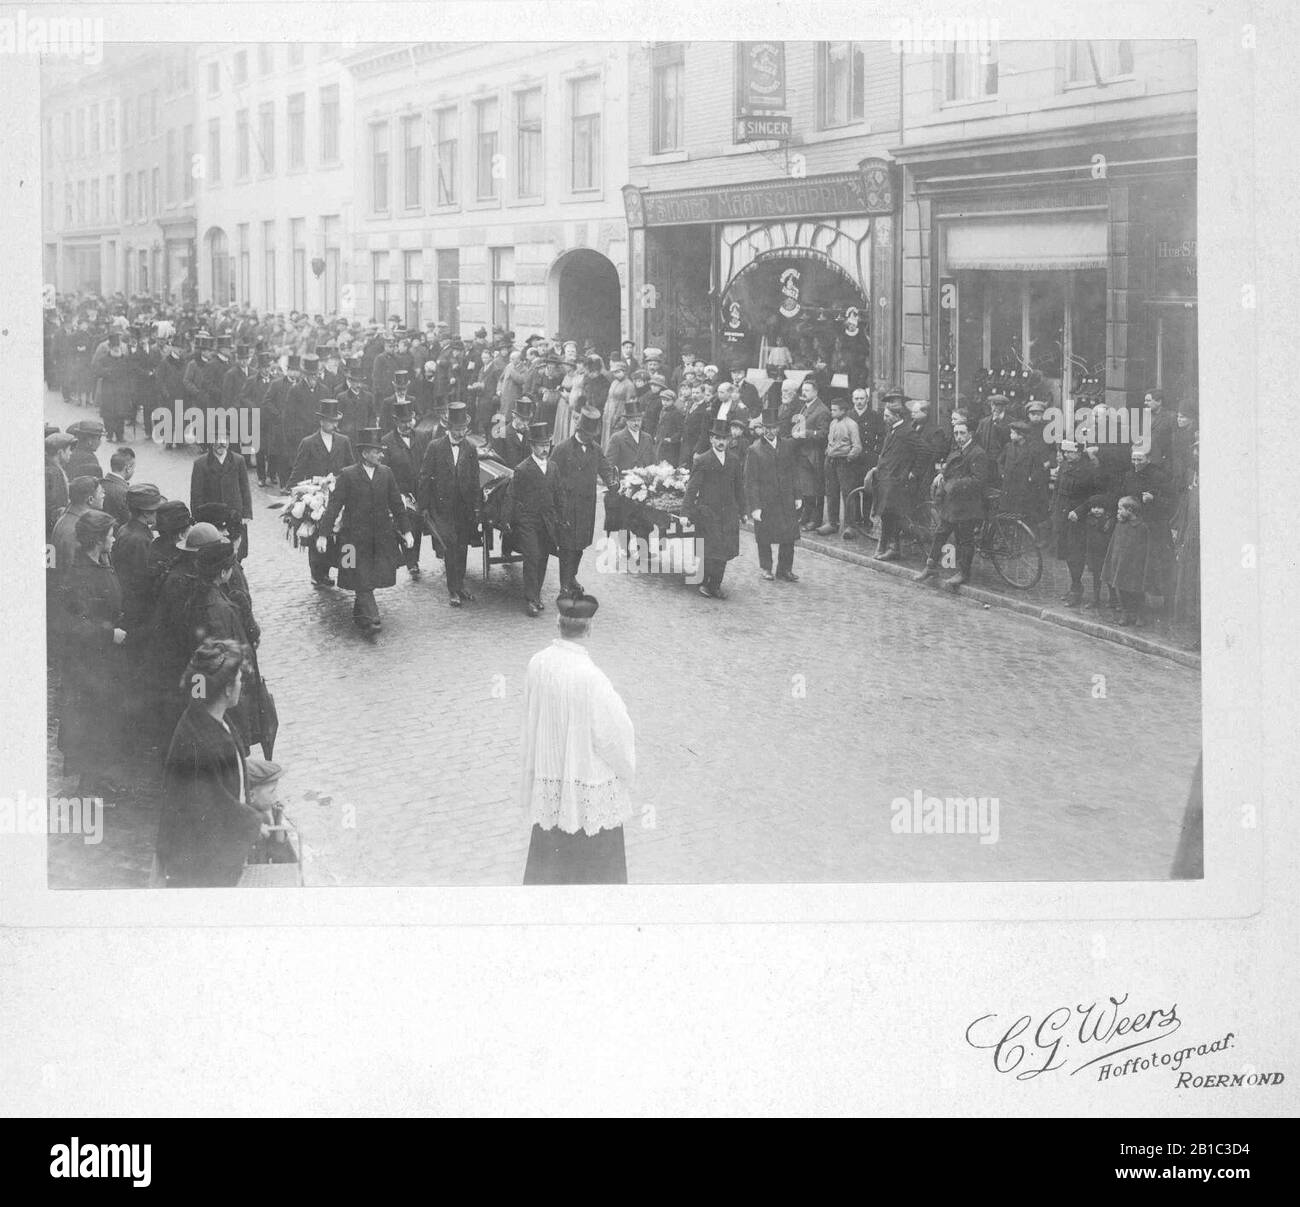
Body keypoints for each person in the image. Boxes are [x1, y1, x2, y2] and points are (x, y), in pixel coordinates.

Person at [519, 593, 636, 885]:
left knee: (548, 877)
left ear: (557, 624)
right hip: (585, 797)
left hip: (551, 783)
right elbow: (615, 735)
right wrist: (626, 772)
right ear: (589, 629)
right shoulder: (592, 678)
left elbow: (531, 716)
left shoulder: (537, 663)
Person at [156, 638, 269, 887]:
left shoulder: (205, 720)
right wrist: (253, 823)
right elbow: (211, 809)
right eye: (239, 679)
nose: (242, 685)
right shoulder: (204, 743)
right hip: (201, 870)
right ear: (228, 689)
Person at [52, 510, 127, 794]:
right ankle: (89, 784)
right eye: (110, 534)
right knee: (91, 721)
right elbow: (73, 625)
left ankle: (98, 776)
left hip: (103, 660)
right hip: (89, 665)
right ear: (97, 539)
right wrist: (109, 634)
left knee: (103, 719)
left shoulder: (101, 563)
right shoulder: (80, 575)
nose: (114, 538)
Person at [317, 426, 413, 632]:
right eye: (376, 451)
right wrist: (323, 535)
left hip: (380, 538)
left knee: (371, 575)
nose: (381, 454)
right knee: (357, 575)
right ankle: (371, 615)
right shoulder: (348, 475)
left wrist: (407, 531)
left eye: (381, 451)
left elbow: (397, 505)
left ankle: (360, 615)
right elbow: (334, 506)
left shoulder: (386, 474)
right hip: (351, 540)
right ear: (364, 453)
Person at [915, 415, 991, 590]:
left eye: (962, 433)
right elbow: (950, 468)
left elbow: (979, 480)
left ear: (970, 434)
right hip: (952, 503)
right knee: (941, 533)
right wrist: (942, 474)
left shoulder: (977, 453)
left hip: (968, 504)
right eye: (956, 433)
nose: (958, 436)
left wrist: (953, 484)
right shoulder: (958, 450)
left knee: (965, 539)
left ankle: (964, 573)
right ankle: (931, 566)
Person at [550, 406, 618, 598]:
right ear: (579, 431)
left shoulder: (596, 449)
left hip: (586, 506)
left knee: (580, 545)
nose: (590, 437)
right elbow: (551, 475)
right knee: (566, 546)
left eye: (592, 434)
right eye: (587, 434)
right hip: (567, 506)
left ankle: (572, 577)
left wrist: (612, 481)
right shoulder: (562, 448)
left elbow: (605, 468)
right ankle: (564, 584)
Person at [418, 402, 481, 607]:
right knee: (451, 547)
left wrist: (476, 507)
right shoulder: (435, 447)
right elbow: (425, 477)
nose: (461, 432)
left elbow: (474, 479)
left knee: (462, 546)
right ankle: (453, 589)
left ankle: (460, 584)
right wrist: (423, 506)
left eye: (464, 429)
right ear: (449, 428)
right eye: (457, 429)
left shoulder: (470, 447)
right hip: (442, 507)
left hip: (463, 507)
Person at [290, 400, 356, 587]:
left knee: (337, 532)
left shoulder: (344, 441)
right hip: (316, 495)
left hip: (338, 493)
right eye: (330, 421)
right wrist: (293, 492)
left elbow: (351, 466)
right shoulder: (309, 442)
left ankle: (335, 570)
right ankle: (317, 573)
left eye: (336, 421)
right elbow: (299, 468)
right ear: (321, 421)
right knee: (316, 531)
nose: (334, 425)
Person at [504, 420, 561, 617]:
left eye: (547, 445)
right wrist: (508, 521)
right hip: (527, 521)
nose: (545, 449)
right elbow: (513, 495)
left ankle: (537, 595)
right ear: (532, 446)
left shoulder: (553, 468)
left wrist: (562, 518)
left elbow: (558, 494)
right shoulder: (523, 469)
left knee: (543, 556)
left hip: (547, 520)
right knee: (532, 557)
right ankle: (530, 599)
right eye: (540, 446)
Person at [686, 418, 746, 599]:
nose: (721, 442)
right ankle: (705, 582)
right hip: (708, 512)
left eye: (725, 439)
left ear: (729, 441)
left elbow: (739, 488)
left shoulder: (734, 461)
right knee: (710, 550)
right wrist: (685, 513)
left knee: (724, 550)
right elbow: (692, 488)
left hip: (728, 512)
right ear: (711, 439)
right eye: (718, 438)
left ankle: (716, 584)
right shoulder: (703, 460)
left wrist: (743, 511)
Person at [745, 403, 802, 582]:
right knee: (765, 536)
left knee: (788, 535)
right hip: (766, 500)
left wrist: (798, 495)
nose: (770, 431)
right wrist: (754, 506)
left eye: (774, 427)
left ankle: (785, 569)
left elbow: (794, 472)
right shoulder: (754, 450)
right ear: (761, 429)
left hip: (786, 498)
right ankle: (766, 567)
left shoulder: (786, 446)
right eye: (767, 428)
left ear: (778, 428)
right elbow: (750, 481)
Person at [872, 397, 926, 561]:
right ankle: (886, 544)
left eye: (888, 416)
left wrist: (913, 472)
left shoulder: (907, 431)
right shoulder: (893, 429)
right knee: (885, 513)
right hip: (886, 478)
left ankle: (893, 547)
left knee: (893, 514)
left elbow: (925, 451)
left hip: (896, 480)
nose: (885, 418)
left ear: (897, 416)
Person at [383, 399, 430, 579]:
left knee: (417, 526)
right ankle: (409, 561)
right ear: (396, 421)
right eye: (403, 422)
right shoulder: (387, 441)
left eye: (410, 420)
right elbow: (385, 470)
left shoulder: (422, 436)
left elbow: (427, 461)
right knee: (404, 525)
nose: (407, 425)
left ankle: (413, 559)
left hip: (419, 489)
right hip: (399, 492)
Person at [190, 436, 253, 559]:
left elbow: (244, 488)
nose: (220, 444)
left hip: (234, 514)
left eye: (224, 441)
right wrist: (198, 517)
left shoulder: (238, 460)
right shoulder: (200, 463)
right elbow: (196, 494)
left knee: (237, 551)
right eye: (216, 441)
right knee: (214, 551)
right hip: (212, 516)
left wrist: (247, 513)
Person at [1051, 440, 1097, 607]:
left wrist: (1079, 511)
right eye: (1065, 452)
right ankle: (1074, 585)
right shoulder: (1064, 465)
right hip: (1062, 514)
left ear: (1078, 453)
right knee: (1065, 551)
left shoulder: (1087, 470)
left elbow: (1091, 496)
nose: (1066, 455)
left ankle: (1077, 589)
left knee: (1075, 553)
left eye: (1070, 452)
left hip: (1077, 517)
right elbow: (1057, 488)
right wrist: (1054, 508)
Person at [786, 378, 831, 529]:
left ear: (816, 392)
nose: (804, 393)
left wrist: (806, 433)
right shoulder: (804, 407)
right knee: (805, 488)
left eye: (807, 390)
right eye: (803, 390)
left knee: (816, 489)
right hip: (802, 453)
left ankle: (816, 520)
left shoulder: (822, 410)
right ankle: (806, 516)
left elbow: (824, 434)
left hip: (813, 455)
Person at [817, 396, 864, 538]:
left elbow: (857, 446)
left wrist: (848, 458)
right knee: (831, 493)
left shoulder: (852, 424)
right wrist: (828, 452)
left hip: (844, 463)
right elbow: (830, 441)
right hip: (830, 462)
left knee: (847, 494)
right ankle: (832, 523)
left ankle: (850, 526)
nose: (832, 412)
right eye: (831, 409)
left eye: (835, 410)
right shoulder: (832, 423)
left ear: (843, 411)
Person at [1100, 496, 1150, 626]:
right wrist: (1112, 561)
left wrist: (1140, 565)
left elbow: (1144, 549)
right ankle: (1126, 612)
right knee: (1121, 589)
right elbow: (1113, 545)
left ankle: (1140, 614)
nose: (1117, 512)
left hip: (1134, 566)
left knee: (1135, 591)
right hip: (1120, 564)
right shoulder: (1120, 526)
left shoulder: (1142, 528)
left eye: (1120, 509)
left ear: (1130, 510)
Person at [50, 476, 105, 580]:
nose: (103, 495)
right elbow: (74, 573)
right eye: (101, 492)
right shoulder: (77, 529)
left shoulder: (67, 518)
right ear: (90, 500)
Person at [45, 432, 77, 535]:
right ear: (60, 452)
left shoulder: (51, 467)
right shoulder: (54, 473)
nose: (71, 453)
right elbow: (56, 506)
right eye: (69, 450)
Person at [100, 447, 136, 525]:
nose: (134, 471)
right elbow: (128, 522)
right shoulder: (125, 492)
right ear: (128, 468)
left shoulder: (100, 484)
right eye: (133, 468)